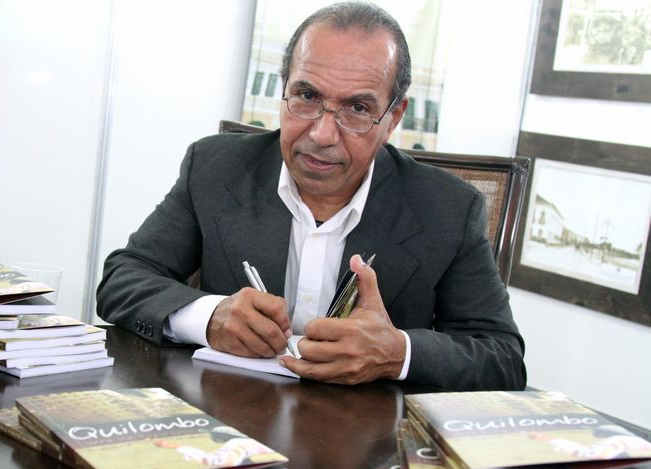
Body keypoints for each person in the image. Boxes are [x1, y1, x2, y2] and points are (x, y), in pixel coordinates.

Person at [96, 1, 526, 391]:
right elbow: (122, 279)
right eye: (306, 96)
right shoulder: (214, 168)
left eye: (357, 109)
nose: (321, 135)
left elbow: (502, 357)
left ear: (393, 116)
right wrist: (209, 317)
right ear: (283, 88)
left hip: (365, 448)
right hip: (227, 426)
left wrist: (397, 353)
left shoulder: (449, 208)